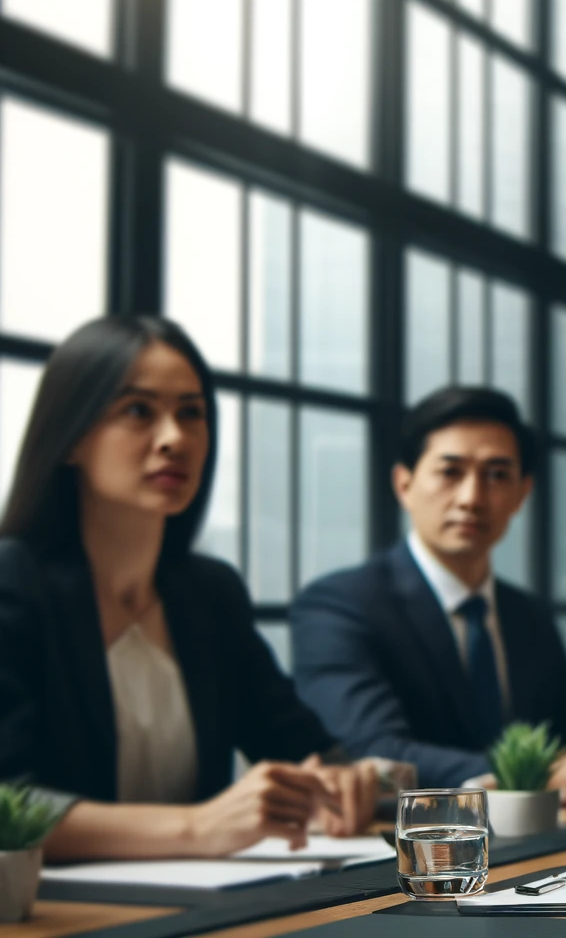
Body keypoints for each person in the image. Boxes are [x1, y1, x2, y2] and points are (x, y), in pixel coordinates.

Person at [0, 315, 379, 861]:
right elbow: (9, 801)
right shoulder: (15, 582)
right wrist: (197, 827)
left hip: (214, 908)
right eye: (138, 411)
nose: (174, 438)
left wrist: (337, 782)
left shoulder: (210, 593)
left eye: (191, 413)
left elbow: (305, 750)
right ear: (71, 438)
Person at [291, 387, 566, 797]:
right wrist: (542, 775)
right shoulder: (339, 605)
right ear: (404, 484)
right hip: (413, 847)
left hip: (539, 844)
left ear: (522, 493)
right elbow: (373, 753)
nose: (472, 498)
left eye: (497, 475)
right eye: (450, 472)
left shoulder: (526, 614)